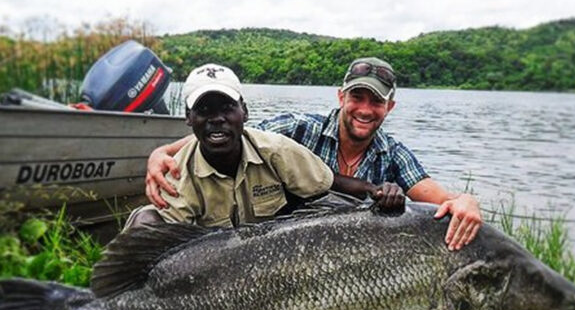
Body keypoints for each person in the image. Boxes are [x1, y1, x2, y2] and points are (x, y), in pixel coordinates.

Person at [145, 57, 482, 250]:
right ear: (341, 97)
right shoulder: (295, 129)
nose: (365, 109)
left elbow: (435, 196)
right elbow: (228, 132)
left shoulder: (393, 153)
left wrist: (464, 200)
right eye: (357, 97)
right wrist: (161, 152)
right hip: (278, 247)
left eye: (376, 101)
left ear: (389, 107)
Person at [126, 63, 404, 229]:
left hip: (268, 257)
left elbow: (329, 183)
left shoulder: (275, 148)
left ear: (244, 113)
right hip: (207, 261)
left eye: (226, 107)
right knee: (146, 222)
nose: (217, 119)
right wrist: (160, 153)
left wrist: (375, 190)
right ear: (189, 118)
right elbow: (169, 240)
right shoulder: (177, 173)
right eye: (204, 110)